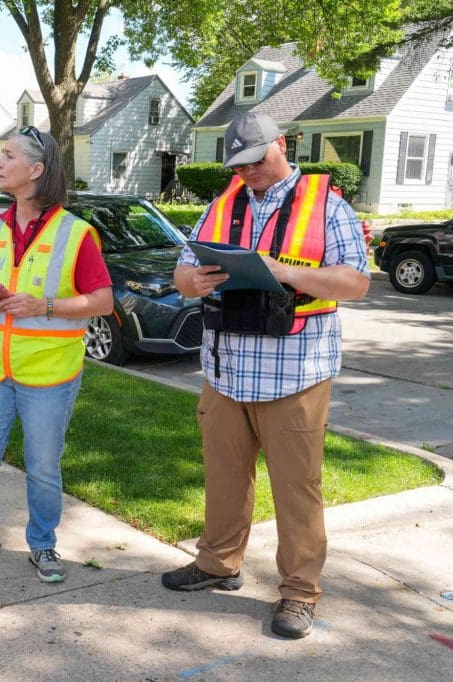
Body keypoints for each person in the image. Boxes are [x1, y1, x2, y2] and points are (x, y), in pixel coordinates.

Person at [160, 111, 370, 639]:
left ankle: (299, 592)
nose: (247, 170)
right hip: (225, 370)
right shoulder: (219, 205)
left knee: (298, 488)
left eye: (256, 158)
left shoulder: (328, 205)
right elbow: (181, 272)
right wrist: (194, 280)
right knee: (225, 477)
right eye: (238, 163)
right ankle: (217, 563)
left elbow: (355, 282)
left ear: (282, 143)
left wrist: (284, 272)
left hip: (294, 372)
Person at [0, 126, 113, 583]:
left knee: (42, 466)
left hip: (49, 374)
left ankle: (43, 544)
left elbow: (103, 302)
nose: (0, 163)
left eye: (10, 156)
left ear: (36, 170)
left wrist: (47, 306)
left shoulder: (77, 234)